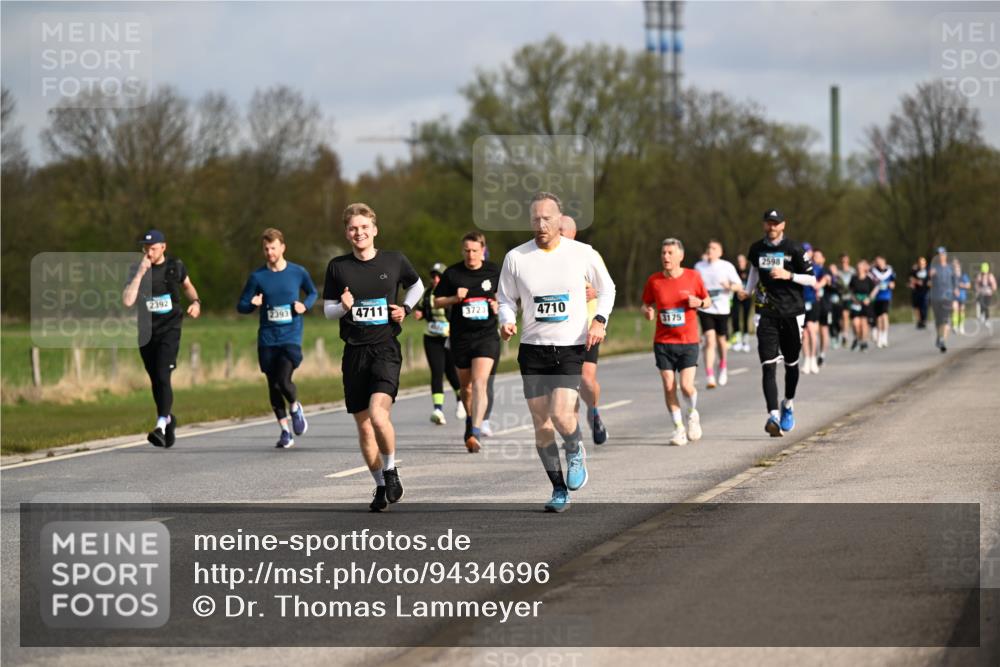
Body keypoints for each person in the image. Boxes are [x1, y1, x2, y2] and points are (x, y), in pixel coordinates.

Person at [497, 192, 615, 513]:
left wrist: (599, 321)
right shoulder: (516, 258)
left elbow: (608, 289)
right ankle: (558, 489)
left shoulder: (582, 253)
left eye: (547, 218)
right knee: (542, 425)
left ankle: (575, 448)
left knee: (562, 415)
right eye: (535, 219)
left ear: (559, 219)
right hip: (533, 350)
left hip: (570, 346)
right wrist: (507, 321)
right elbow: (505, 299)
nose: (541, 224)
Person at [323, 203, 424, 512]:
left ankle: (391, 470)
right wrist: (343, 306)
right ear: (347, 233)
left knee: (379, 415)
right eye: (353, 228)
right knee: (365, 427)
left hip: (385, 349)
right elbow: (328, 311)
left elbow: (417, 285)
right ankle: (380, 485)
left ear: (374, 230)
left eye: (364, 227)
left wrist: (404, 309)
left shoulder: (394, 260)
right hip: (354, 353)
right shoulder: (338, 267)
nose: (359, 232)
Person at [236, 228, 318, 448]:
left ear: (282, 247)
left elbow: (312, 293)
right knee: (272, 385)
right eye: (266, 249)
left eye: (273, 247)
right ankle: (285, 432)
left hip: (290, 337)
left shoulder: (298, 272)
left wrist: (305, 305)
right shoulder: (257, 277)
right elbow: (241, 305)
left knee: (283, 380)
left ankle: (294, 407)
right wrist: (252, 305)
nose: (270, 252)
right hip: (267, 339)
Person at [122, 230, 202, 448]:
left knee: (162, 373)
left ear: (163, 247)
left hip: (170, 329)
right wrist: (140, 273)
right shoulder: (135, 271)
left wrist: (195, 302)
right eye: (146, 248)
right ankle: (168, 420)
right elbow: (128, 301)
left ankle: (159, 426)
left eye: (153, 248)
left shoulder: (175, 266)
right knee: (156, 380)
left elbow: (188, 286)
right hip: (147, 333)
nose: (149, 252)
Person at [739, 209, 815, 437]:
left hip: (792, 313)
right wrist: (747, 290)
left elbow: (812, 279)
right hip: (766, 312)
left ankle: (788, 404)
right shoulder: (756, 249)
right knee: (768, 364)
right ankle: (772, 415)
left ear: (783, 225)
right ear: (764, 225)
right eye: (768, 223)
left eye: (776, 223)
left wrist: (788, 275)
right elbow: (754, 270)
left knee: (791, 364)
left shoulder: (794, 249)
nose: (771, 227)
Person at [434, 232, 501, 453]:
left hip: (486, 336)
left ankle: (475, 430)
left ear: (483, 249)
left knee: (480, 382)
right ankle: (470, 419)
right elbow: (436, 301)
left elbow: (510, 297)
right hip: (461, 338)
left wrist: (497, 305)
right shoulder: (453, 273)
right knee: (467, 387)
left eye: (475, 250)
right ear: (463, 251)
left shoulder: (493, 271)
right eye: (467, 251)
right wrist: (455, 298)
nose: (471, 255)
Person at [642, 238, 710, 446]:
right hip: (663, 342)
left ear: (680, 256)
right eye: (663, 253)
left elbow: (707, 301)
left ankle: (692, 414)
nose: (666, 257)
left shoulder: (693, 277)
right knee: (669, 385)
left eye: (670, 253)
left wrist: (698, 302)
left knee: (686, 386)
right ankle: (678, 428)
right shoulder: (654, 280)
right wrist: (648, 311)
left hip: (688, 340)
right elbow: (645, 304)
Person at [559, 215, 609, 444]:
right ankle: (574, 436)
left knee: (586, 381)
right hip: (560, 330)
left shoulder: (588, 254)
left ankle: (594, 411)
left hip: (586, 327)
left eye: (561, 230)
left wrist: (595, 293)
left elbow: (606, 286)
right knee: (570, 385)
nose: (556, 234)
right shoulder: (546, 258)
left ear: (573, 233)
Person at [412, 263, 463, 426]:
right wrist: (419, 314)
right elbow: (420, 309)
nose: (435, 279)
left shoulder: (453, 293)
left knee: (452, 373)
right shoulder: (427, 294)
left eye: (438, 276)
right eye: (433, 276)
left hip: (450, 338)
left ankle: (461, 400)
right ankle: (438, 410)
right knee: (436, 372)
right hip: (431, 337)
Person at [693, 240, 741, 388]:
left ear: (720, 252)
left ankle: (723, 366)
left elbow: (739, 285)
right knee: (709, 340)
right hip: (705, 308)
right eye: (708, 248)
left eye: (714, 248)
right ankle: (710, 376)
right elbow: (692, 285)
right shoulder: (699, 267)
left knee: (721, 341)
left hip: (722, 309)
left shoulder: (726, 266)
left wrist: (729, 286)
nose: (710, 250)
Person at [802, 246, 832, 372]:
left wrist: (819, 285)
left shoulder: (817, 268)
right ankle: (807, 360)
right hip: (801, 303)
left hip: (813, 302)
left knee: (811, 330)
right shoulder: (799, 267)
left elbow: (827, 277)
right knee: (804, 334)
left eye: (809, 252)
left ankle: (813, 359)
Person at [928, 247, 955, 353]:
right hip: (935, 297)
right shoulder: (933, 268)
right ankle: (939, 337)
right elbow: (927, 281)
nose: (940, 256)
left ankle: (942, 340)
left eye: (942, 254)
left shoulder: (950, 268)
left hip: (947, 298)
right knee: (938, 320)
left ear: (946, 255)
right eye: (938, 254)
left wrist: (956, 290)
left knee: (945, 319)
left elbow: (955, 281)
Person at [848, 259, 878, 353]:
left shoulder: (868, 279)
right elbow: (850, 290)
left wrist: (869, 298)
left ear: (864, 268)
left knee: (864, 324)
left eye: (860, 267)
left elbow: (875, 289)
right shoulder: (854, 278)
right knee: (856, 324)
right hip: (856, 304)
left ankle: (863, 342)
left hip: (865, 304)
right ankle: (857, 338)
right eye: (858, 267)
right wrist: (853, 298)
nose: (859, 269)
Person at [870, 255, 896, 348]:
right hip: (876, 297)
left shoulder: (890, 271)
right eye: (877, 262)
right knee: (878, 318)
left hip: (886, 296)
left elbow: (893, 283)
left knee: (884, 315)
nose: (878, 263)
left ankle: (885, 336)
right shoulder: (873, 271)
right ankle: (880, 335)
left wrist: (890, 285)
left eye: (880, 261)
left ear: (884, 261)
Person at [730, 253, 753, 352]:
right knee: (735, 317)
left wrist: (748, 292)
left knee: (745, 318)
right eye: (738, 261)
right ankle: (737, 341)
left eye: (742, 261)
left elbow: (753, 285)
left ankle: (745, 341)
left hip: (747, 297)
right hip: (736, 297)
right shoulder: (734, 271)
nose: (740, 263)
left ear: (745, 261)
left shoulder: (749, 271)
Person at [833, 253, 856, 348]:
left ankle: (845, 335)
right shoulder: (837, 271)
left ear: (848, 261)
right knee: (839, 318)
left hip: (849, 297)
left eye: (846, 261)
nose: (844, 263)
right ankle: (842, 333)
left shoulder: (852, 271)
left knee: (846, 315)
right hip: (839, 297)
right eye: (842, 261)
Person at [908, 257, 930, 329]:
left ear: (925, 263)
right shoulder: (914, 270)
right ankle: (919, 321)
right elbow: (910, 278)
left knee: (924, 307)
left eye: (923, 263)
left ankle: (924, 320)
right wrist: (916, 282)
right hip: (916, 291)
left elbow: (931, 280)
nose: (921, 264)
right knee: (917, 307)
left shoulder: (928, 270)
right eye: (920, 263)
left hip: (925, 291)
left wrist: (929, 283)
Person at [975, 262, 997, 328]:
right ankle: (982, 315)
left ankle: (987, 319)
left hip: (988, 294)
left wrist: (992, 290)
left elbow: (994, 285)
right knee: (982, 304)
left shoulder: (990, 276)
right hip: (982, 293)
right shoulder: (979, 276)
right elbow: (976, 284)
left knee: (986, 306)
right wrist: (978, 290)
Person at [953, 258, 971, 335]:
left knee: (962, 310)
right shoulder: (952, 276)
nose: (955, 266)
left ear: (959, 265)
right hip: (954, 296)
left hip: (962, 295)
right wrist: (953, 289)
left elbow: (968, 285)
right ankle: (955, 325)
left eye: (956, 265)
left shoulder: (963, 275)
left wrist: (961, 285)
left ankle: (961, 326)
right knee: (955, 309)